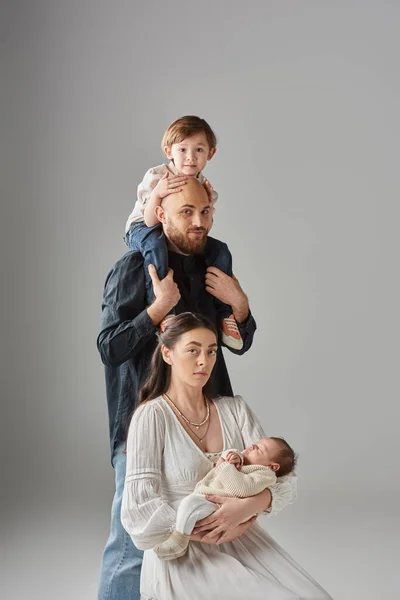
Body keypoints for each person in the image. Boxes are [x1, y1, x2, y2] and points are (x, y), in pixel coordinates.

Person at [97, 178, 257, 600]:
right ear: (160, 213)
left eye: (205, 212)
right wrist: (157, 309)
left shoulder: (214, 269)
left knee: (201, 544)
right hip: (143, 423)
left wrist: (239, 305)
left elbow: (233, 344)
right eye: (186, 211)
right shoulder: (133, 268)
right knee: (133, 547)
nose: (199, 221)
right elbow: (110, 349)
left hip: (204, 431)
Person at [121, 313, 332, 600]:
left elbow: (284, 479)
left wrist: (249, 507)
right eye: (193, 350)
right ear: (168, 354)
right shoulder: (151, 416)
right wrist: (197, 526)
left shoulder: (235, 410)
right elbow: (137, 509)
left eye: (211, 351)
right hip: (183, 552)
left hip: (243, 539)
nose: (204, 361)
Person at [124, 115, 241, 348]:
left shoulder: (201, 183)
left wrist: (207, 204)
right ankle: (163, 307)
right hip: (142, 226)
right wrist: (158, 193)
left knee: (221, 250)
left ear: (211, 153)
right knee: (156, 246)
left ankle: (225, 314)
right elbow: (150, 221)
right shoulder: (159, 176)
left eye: (199, 150)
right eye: (183, 150)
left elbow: (203, 223)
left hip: (174, 233)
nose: (190, 157)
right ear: (169, 151)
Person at [153, 437, 297, 560]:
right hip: (206, 496)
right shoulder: (242, 460)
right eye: (255, 443)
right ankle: (174, 535)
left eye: (259, 449)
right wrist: (232, 456)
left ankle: (179, 540)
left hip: (219, 506)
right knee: (180, 507)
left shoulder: (264, 475)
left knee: (190, 505)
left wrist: (225, 466)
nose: (252, 446)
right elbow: (229, 453)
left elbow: (240, 488)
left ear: (272, 466)